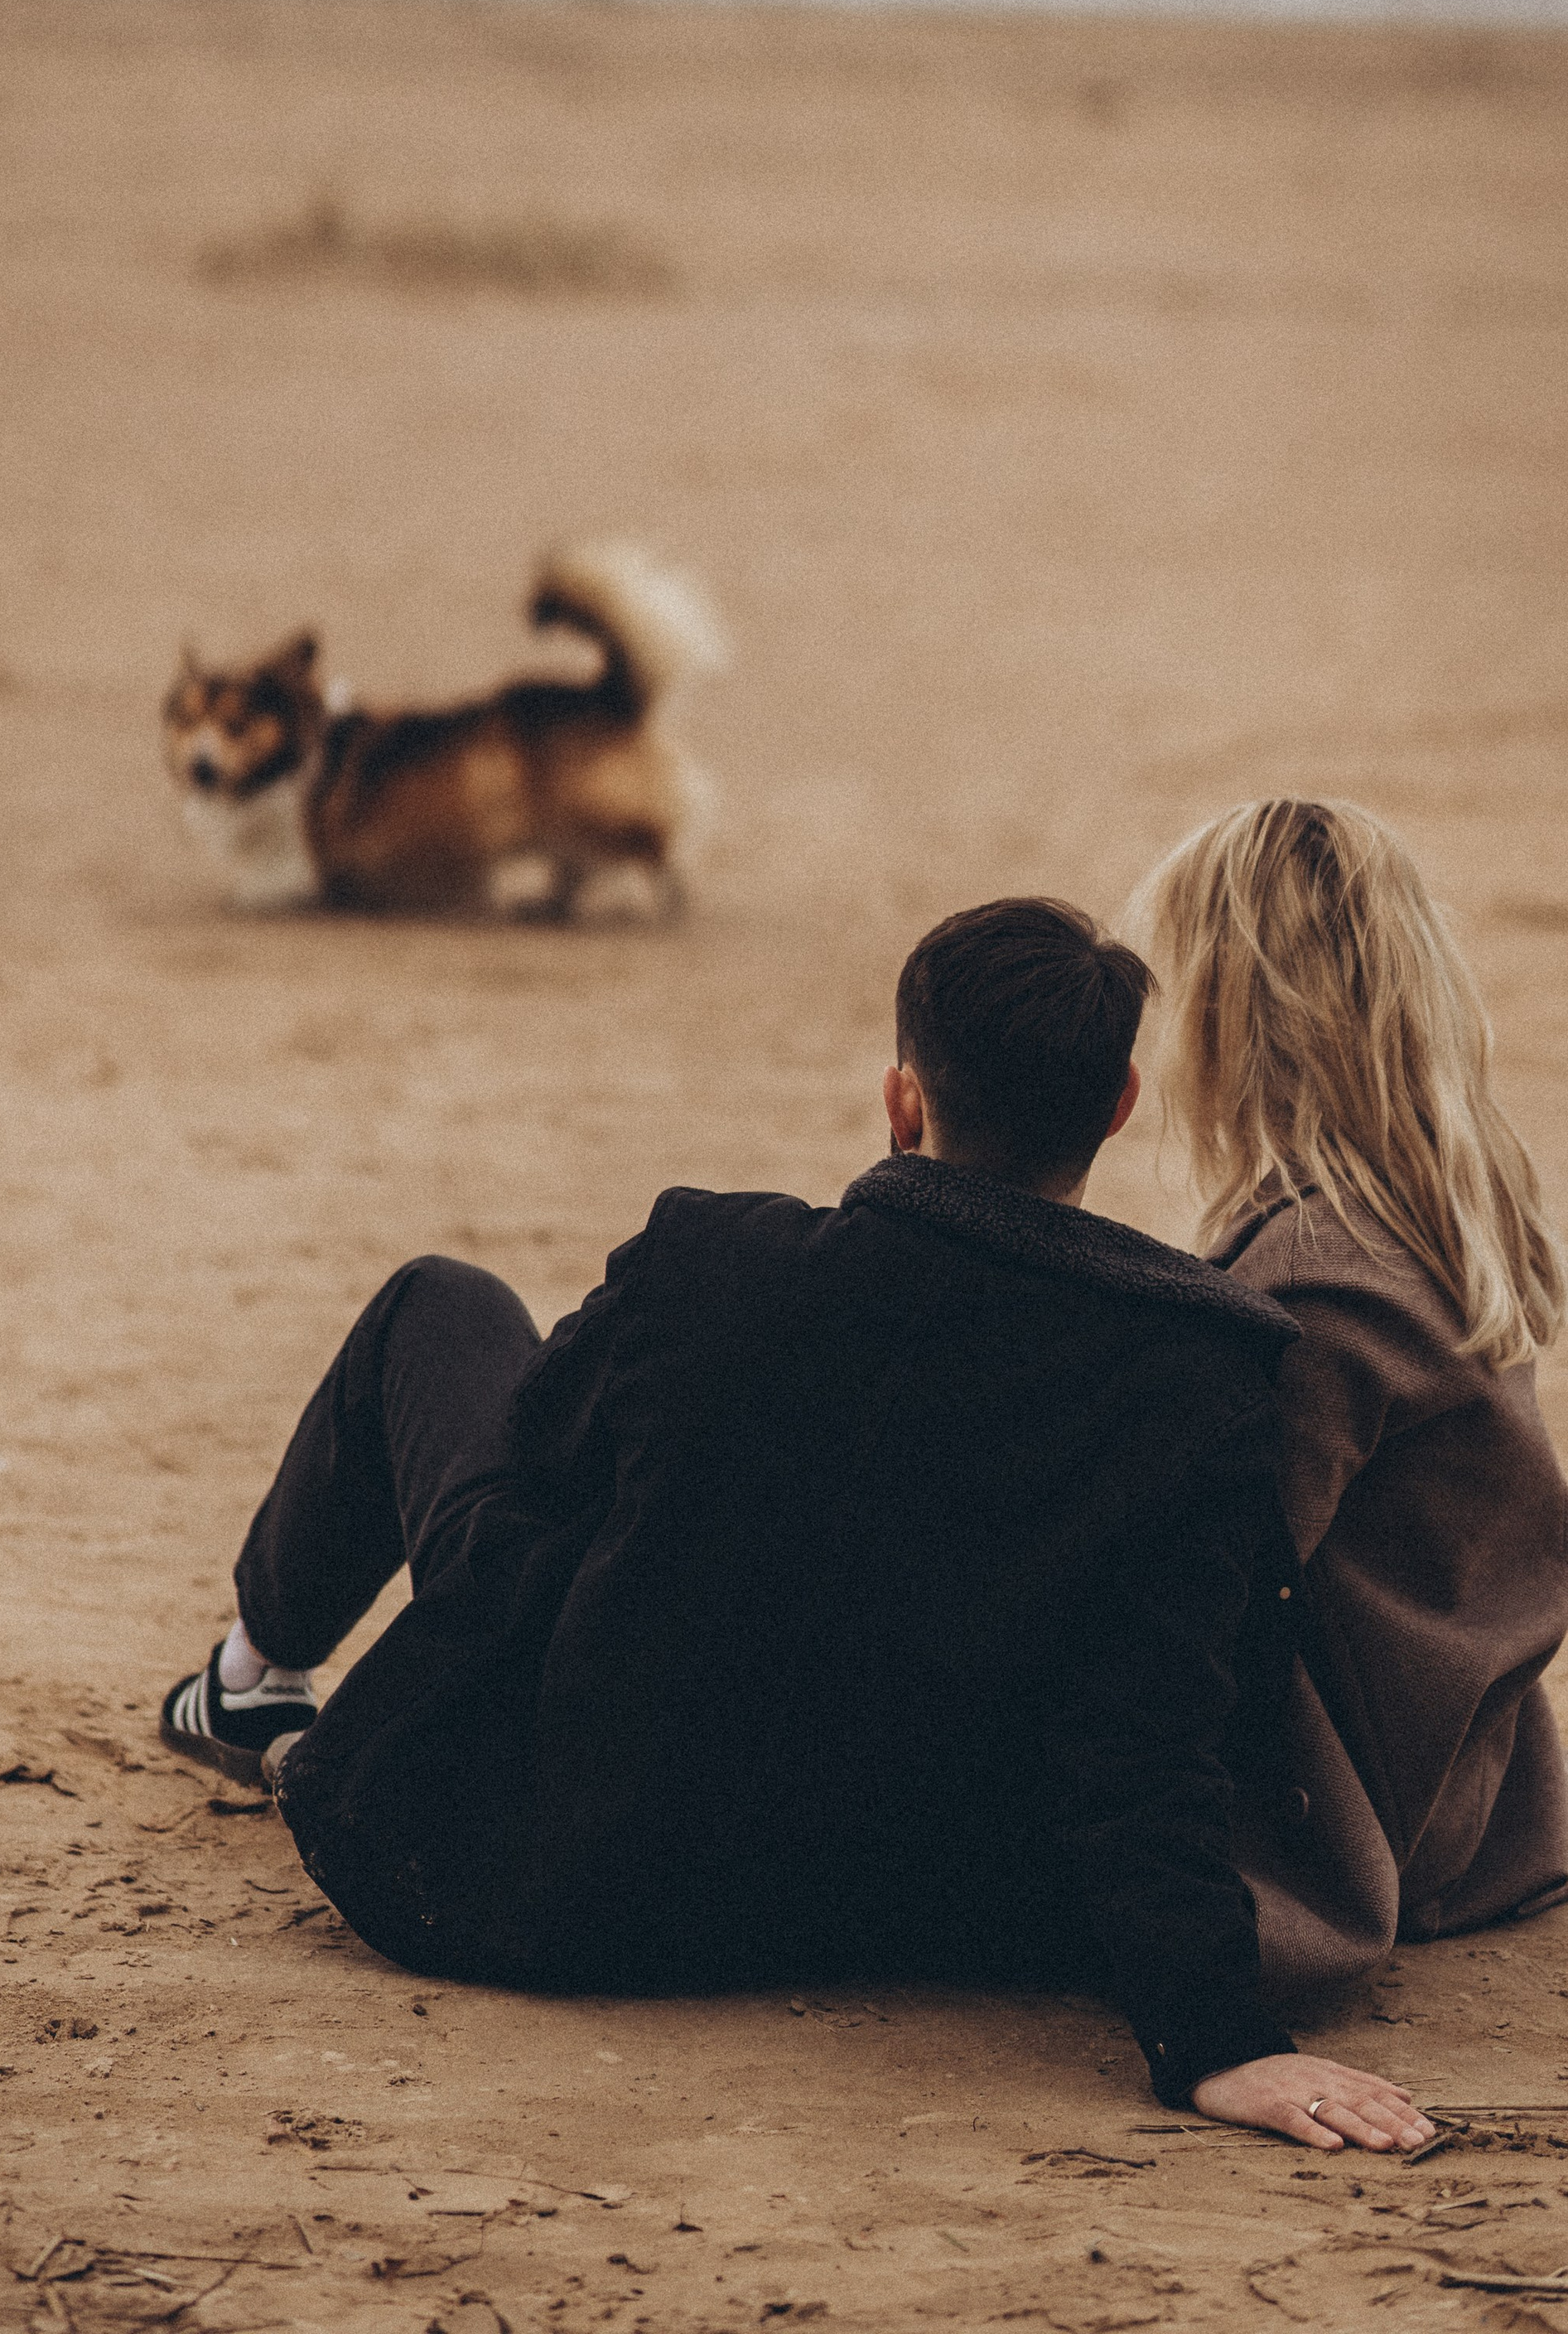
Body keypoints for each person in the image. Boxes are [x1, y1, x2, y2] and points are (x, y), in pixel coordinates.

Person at [162, 896, 1427, 2149]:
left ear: (903, 1100)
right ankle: (258, 1675)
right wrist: (1216, 2037)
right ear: (1116, 1108)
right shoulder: (1199, 1380)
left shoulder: (711, 1259)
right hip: (909, 1910)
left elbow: (540, 1462)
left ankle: (253, 1674)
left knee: (441, 1305)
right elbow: (1147, 1734)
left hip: (574, 1880)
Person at [1130, 797, 1568, 2001]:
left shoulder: (1317, 1290)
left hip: (1365, 1828)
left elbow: (1200, 1601)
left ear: (1229, 1012)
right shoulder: (1435, 1218)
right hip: (1481, 1801)